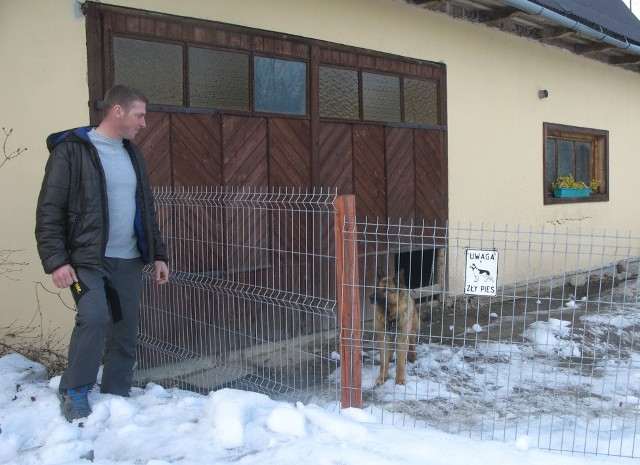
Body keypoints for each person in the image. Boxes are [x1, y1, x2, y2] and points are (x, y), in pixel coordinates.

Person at [35, 84, 169, 421]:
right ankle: (75, 390)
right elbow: (49, 209)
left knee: (125, 330)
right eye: (139, 115)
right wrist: (57, 261)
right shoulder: (72, 151)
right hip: (85, 262)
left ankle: (116, 394)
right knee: (94, 317)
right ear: (118, 111)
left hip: (127, 259)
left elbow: (145, 208)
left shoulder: (131, 153)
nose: (143, 123)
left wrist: (158, 254)